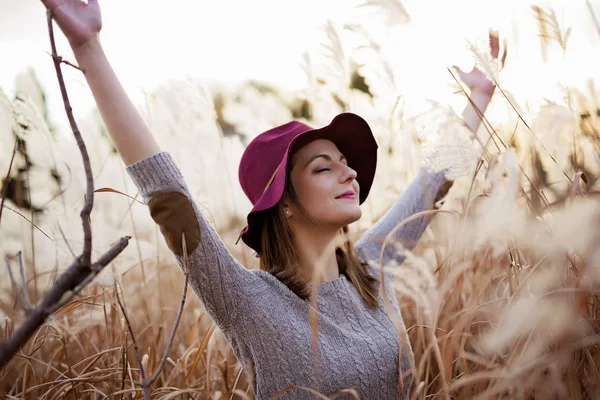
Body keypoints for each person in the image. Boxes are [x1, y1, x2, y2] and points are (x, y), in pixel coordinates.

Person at [40, 1, 506, 398]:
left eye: (345, 161)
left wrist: (480, 96)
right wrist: (88, 47)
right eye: (323, 167)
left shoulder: (371, 268)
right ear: (283, 202)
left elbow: (431, 185)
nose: (349, 172)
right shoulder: (251, 303)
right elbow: (168, 195)